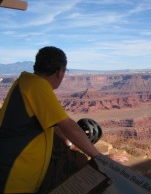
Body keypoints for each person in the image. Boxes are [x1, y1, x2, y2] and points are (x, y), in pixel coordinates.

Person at [0, 46, 101, 193]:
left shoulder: (25, 81)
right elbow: (67, 125)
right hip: (13, 178)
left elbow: (51, 125)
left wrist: (68, 144)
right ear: (60, 72)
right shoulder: (37, 85)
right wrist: (100, 159)